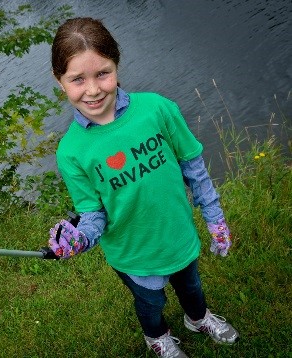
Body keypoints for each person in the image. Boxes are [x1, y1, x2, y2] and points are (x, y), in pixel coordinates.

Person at [47, 17, 239, 358]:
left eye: (102, 73)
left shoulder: (158, 109)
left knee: (191, 287)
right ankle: (157, 336)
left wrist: (215, 218)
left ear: (116, 66)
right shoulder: (70, 152)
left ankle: (198, 318)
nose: (92, 90)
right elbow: (92, 213)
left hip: (178, 235)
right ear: (59, 81)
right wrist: (82, 237)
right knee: (150, 304)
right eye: (77, 79)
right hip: (132, 254)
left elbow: (194, 169)